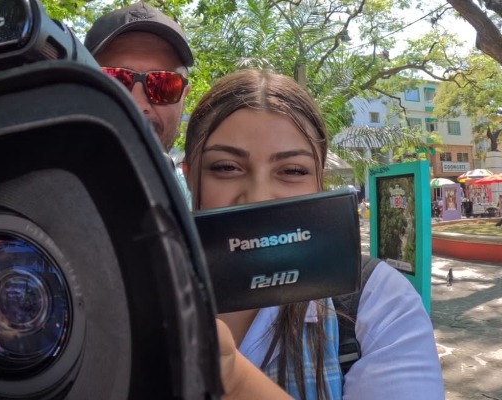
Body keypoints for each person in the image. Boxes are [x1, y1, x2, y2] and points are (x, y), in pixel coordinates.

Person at [182, 69, 444, 399]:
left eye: (292, 171)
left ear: (318, 183)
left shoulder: (377, 300)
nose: (259, 196)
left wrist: (231, 376)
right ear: (190, 178)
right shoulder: (130, 293)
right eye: (225, 167)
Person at [84, 2, 193, 202]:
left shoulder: (200, 199)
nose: (137, 104)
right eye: (115, 80)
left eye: (163, 84)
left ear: (183, 98)